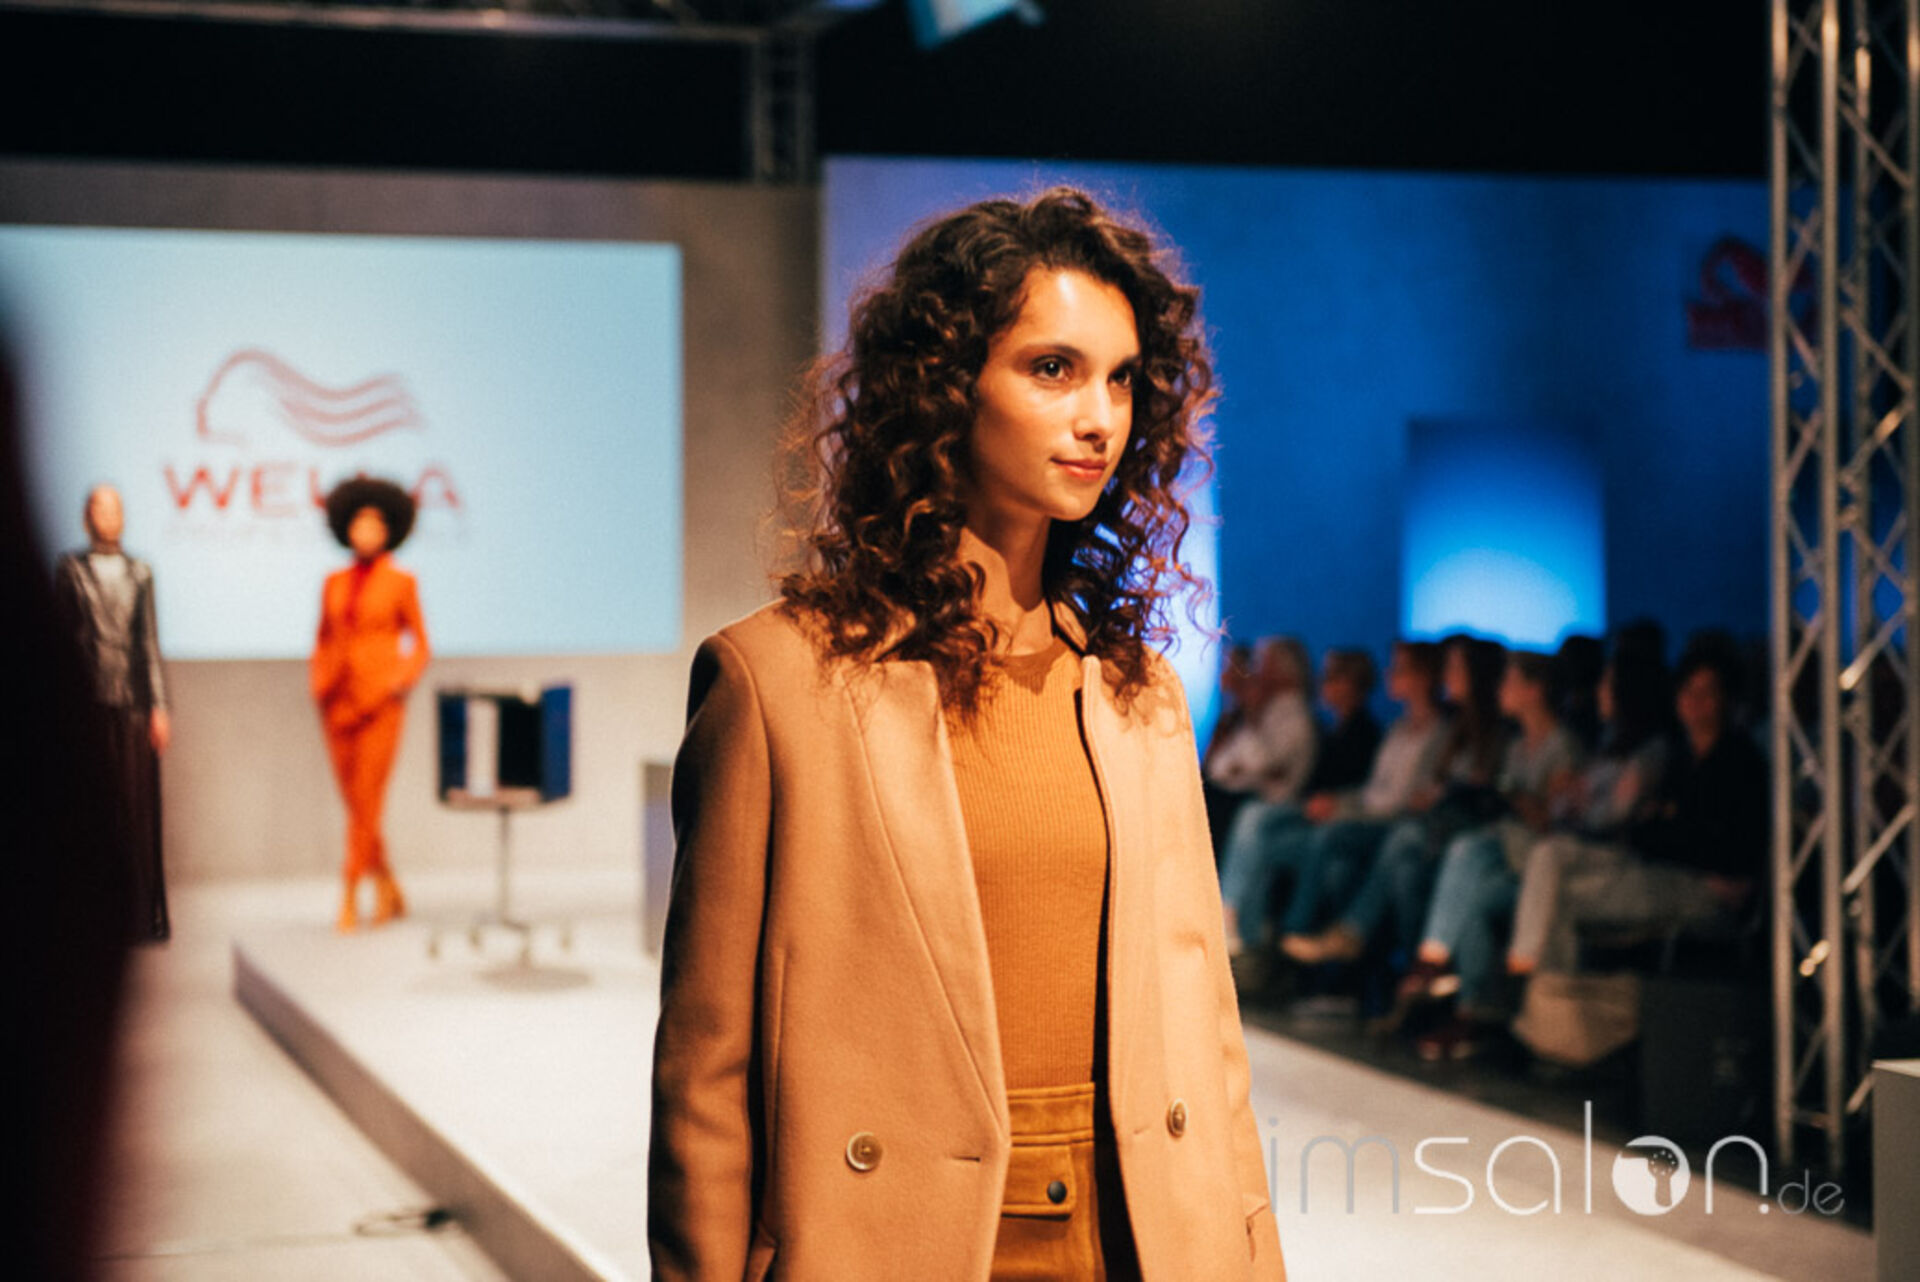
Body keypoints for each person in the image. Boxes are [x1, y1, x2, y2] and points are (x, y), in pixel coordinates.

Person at [649, 189, 1286, 1282]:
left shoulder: (1137, 695)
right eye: (1054, 368)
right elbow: (708, 1073)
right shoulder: (781, 683)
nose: (1099, 417)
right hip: (898, 1238)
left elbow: (1206, 1039)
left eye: (1122, 378)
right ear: (944, 385)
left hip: (1138, 1234)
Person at [310, 476, 430, 933]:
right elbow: (323, 636)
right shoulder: (333, 582)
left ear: (389, 530)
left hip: (381, 703)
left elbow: (421, 643)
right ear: (346, 528)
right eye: (359, 523)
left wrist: (401, 679)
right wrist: (318, 680)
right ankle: (389, 884)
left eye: (375, 525)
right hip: (337, 702)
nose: (366, 532)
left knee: (368, 800)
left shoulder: (401, 581)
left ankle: (350, 891)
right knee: (355, 803)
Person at [53, 484, 172, 943]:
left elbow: (149, 641)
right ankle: (91, 917)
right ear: (88, 516)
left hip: (135, 701)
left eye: (117, 508)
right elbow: (63, 640)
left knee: (138, 810)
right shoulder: (71, 570)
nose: (111, 516)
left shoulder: (140, 571)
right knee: (91, 810)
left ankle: (143, 916)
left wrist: (159, 705)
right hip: (89, 702)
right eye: (102, 508)